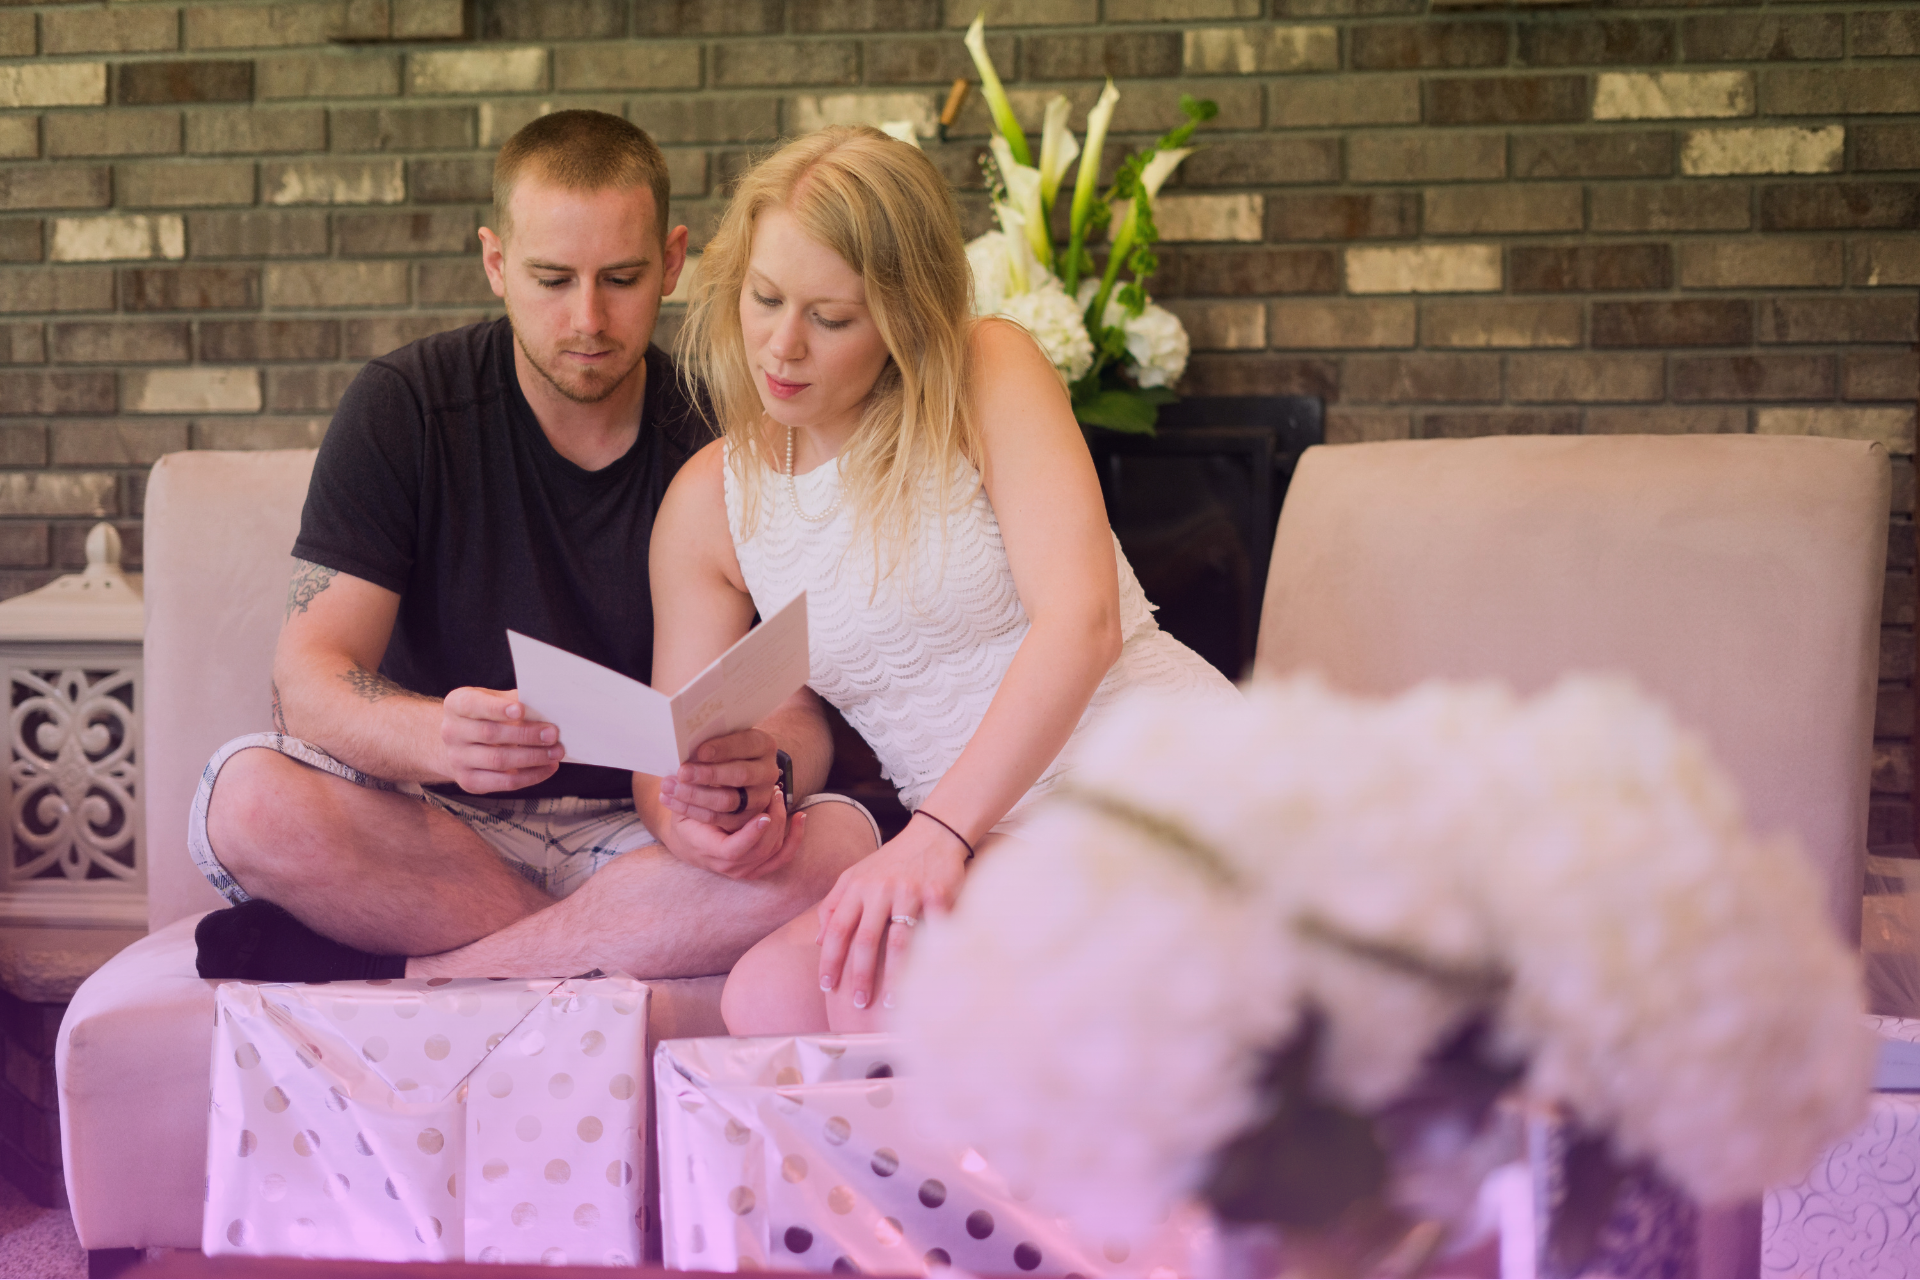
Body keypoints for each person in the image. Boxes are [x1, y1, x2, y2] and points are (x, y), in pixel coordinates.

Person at [190, 110, 879, 984]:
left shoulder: (729, 429)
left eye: (622, 279)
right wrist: (441, 737)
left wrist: (760, 773)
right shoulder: (404, 407)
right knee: (246, 798)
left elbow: (794, 702)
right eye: (551, 279)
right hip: (439, 833)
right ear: (495, 263)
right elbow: (309, 676)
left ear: (673, 262)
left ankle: (437, 972)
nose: (586, 319)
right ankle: (609, 942)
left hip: (650, 833)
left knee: (841, 844)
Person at [654, 126, 1238, 1035]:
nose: (783, 345)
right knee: (763, 1000)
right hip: (983, 836)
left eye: (832, 317)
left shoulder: (986, 370)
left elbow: (1080, 621)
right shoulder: (711, 501)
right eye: (764, 298)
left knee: (889, 992)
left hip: (1149, 778)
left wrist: (940, 836)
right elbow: (668, 746)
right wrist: (705, 804)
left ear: (903, 314)